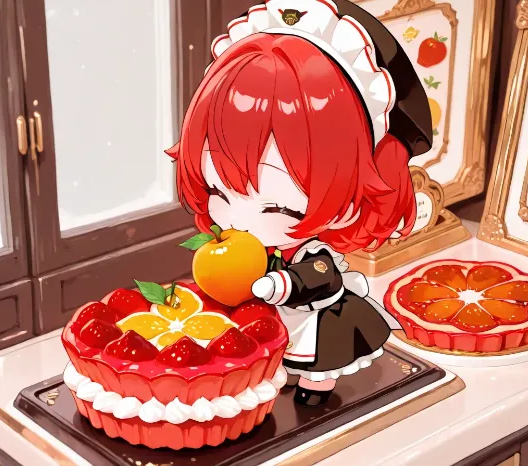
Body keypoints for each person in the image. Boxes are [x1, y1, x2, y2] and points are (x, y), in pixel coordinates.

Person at [167, 0, 432, 407]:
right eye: (219, 193)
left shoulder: (312, 253)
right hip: (273, 323)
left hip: (318, 316)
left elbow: (321, 275)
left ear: (351, 200)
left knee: (315, 354)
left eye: (277, 208)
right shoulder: (249, 245)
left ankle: (315, 383)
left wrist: (279, 284)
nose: (239, 220)